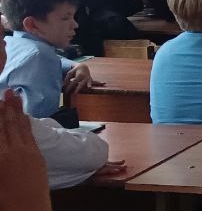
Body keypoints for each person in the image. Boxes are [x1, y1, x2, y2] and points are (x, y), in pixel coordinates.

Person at [2, 31, 122, 192]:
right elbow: (94, 153)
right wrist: (77, 171)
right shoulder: (10, 125)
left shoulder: (21, 47)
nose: (5, 43)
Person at [0, 0, 97, 119]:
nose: (75, 25)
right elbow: (40, 121)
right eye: (66, 18)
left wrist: (75, 65)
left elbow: (49, 58)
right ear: (32, 25)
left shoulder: (10, 43)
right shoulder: (40, 55)